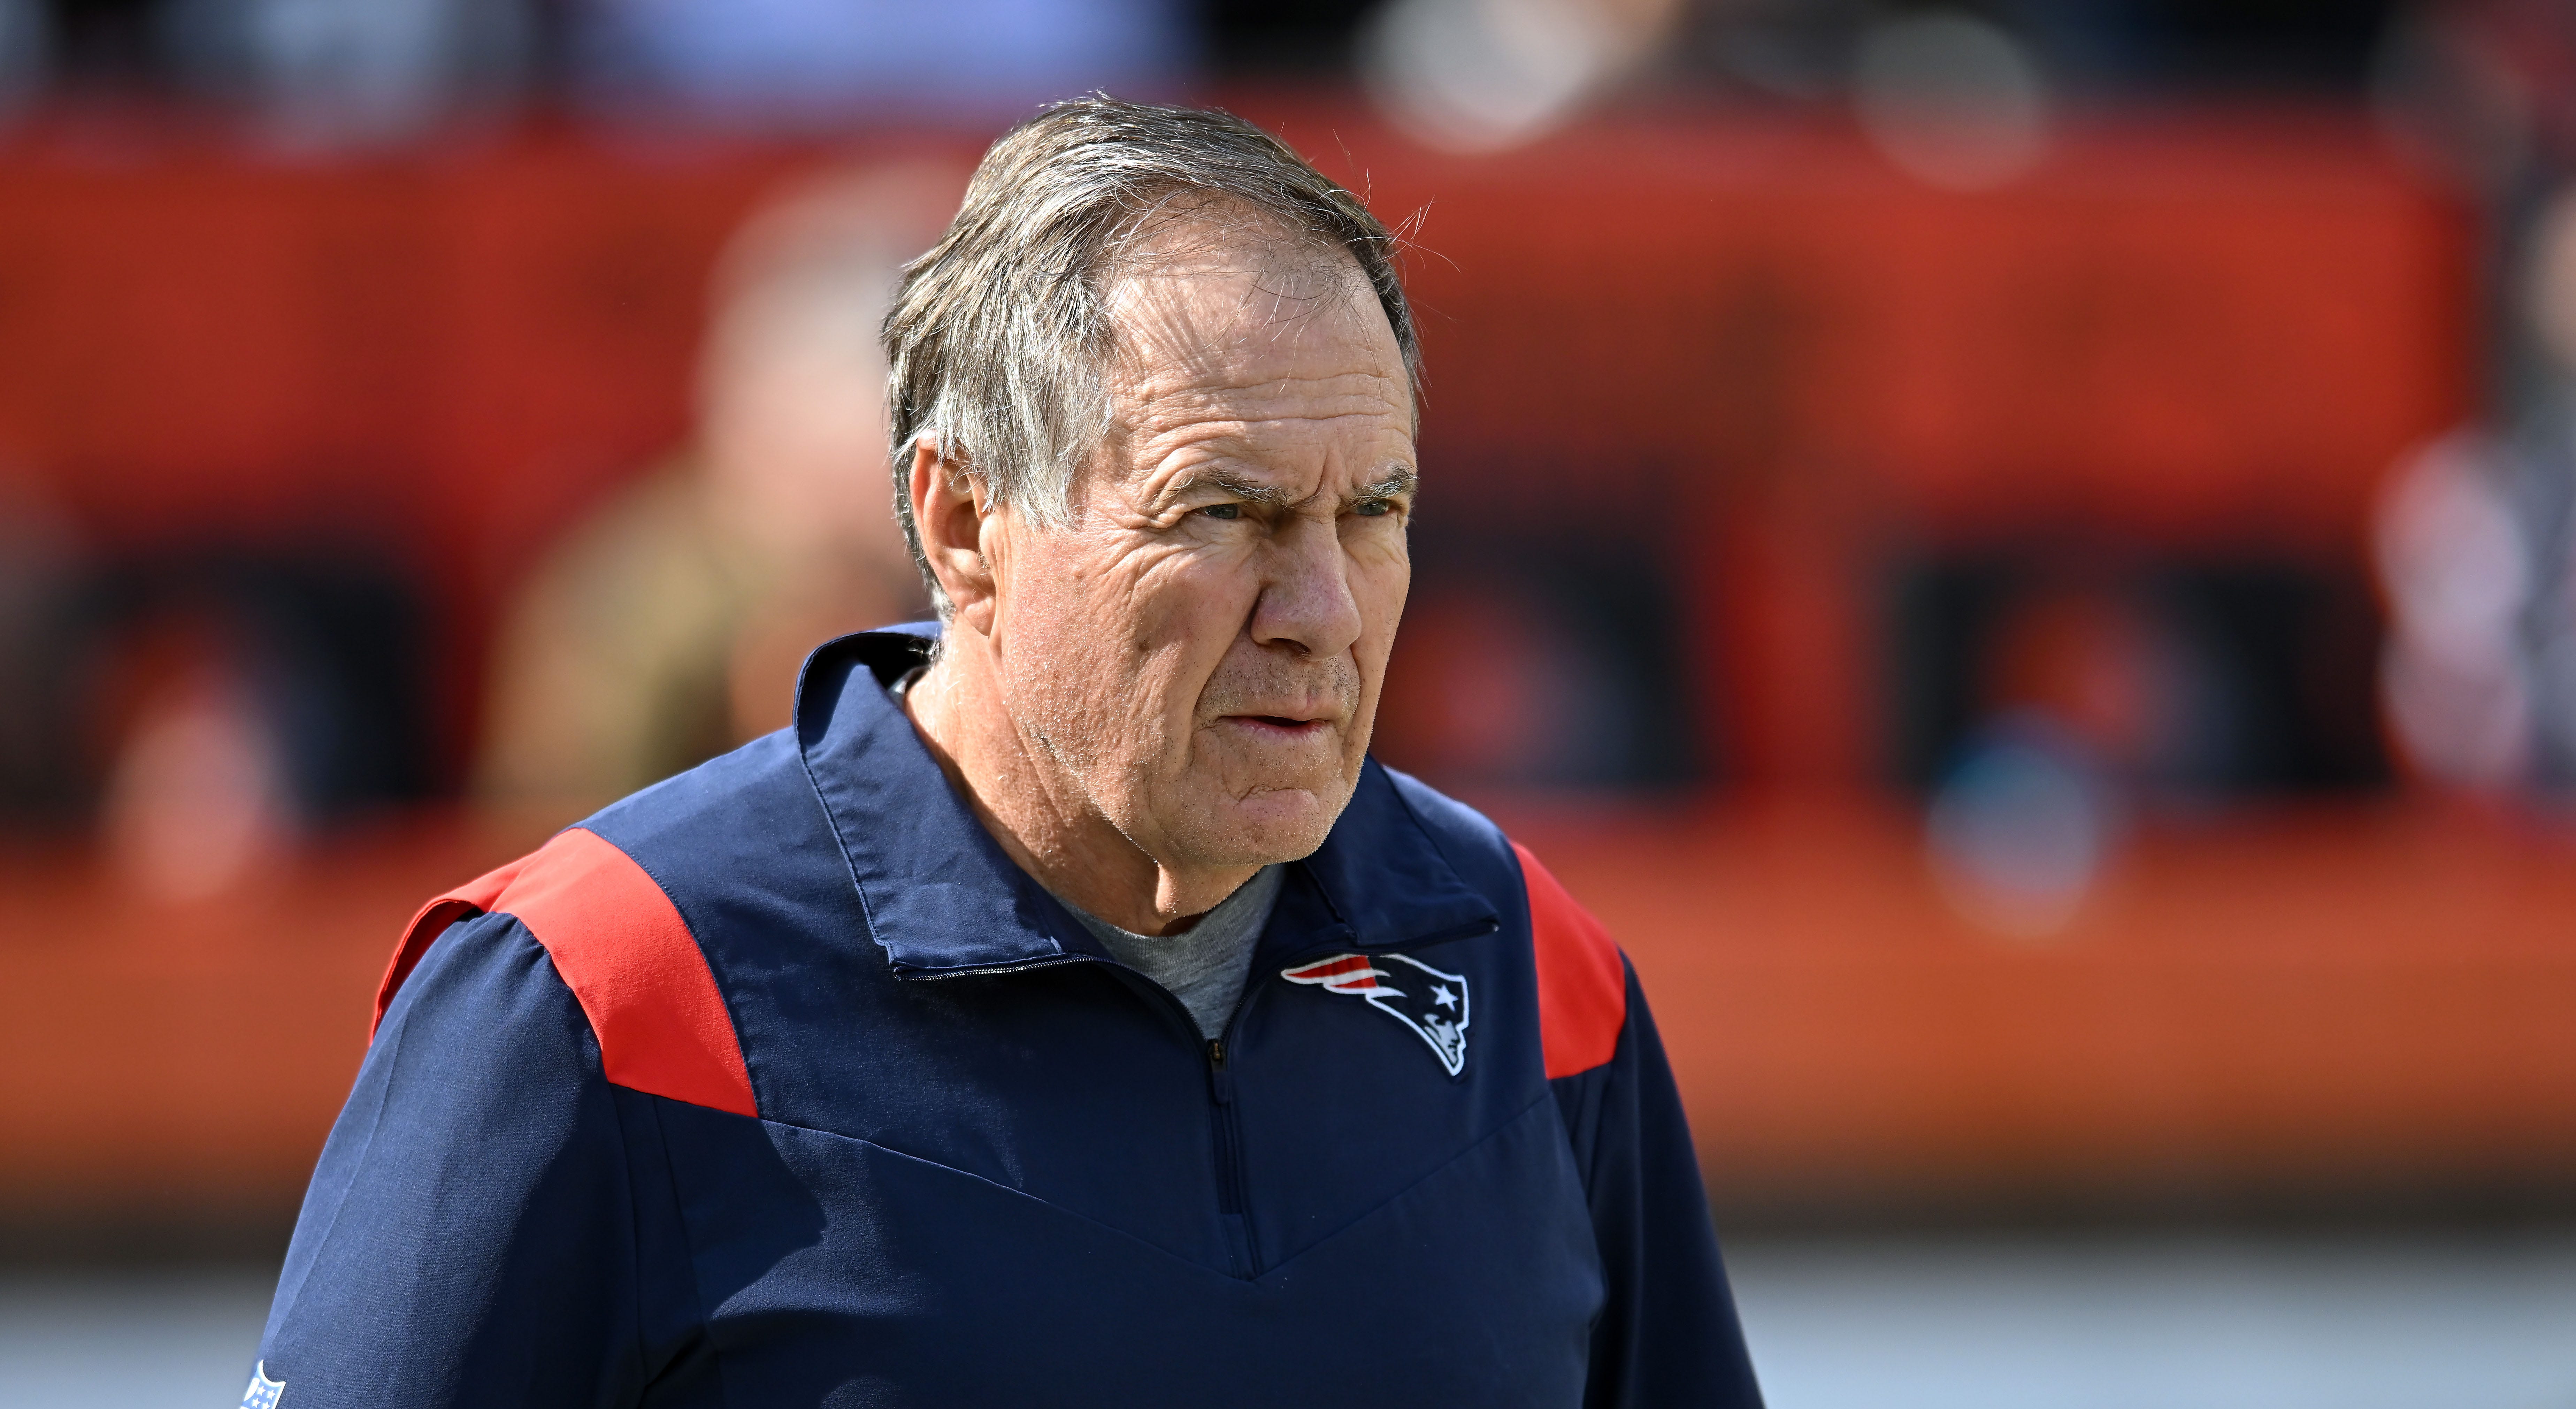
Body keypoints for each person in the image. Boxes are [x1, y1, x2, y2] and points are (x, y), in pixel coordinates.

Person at [247, 97, 1765, 1407]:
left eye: (1374, 510)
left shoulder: (1529, 967)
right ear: (966, 524)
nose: (1322, 612)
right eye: (1223, 511)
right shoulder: (596, 996)